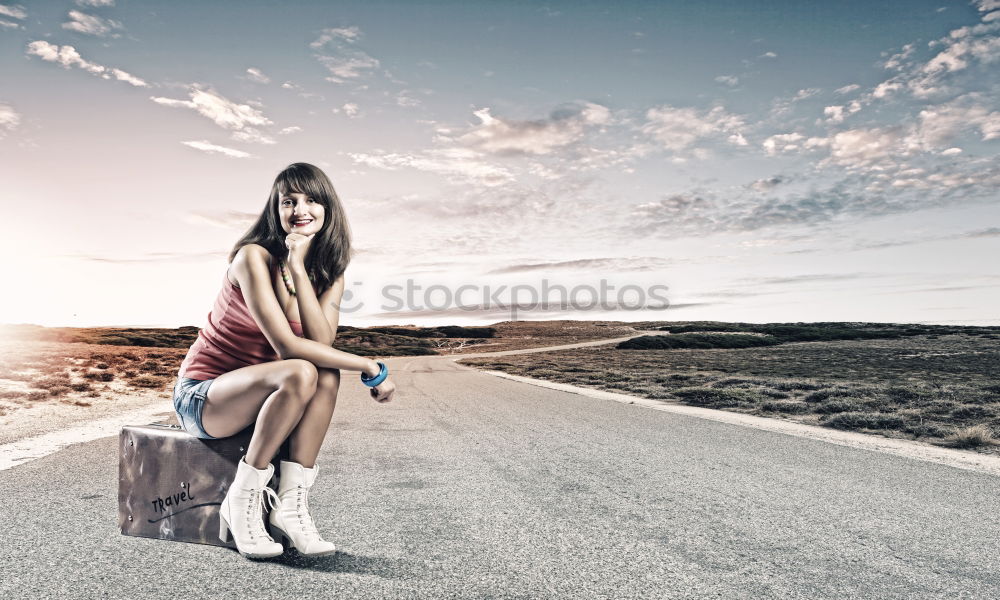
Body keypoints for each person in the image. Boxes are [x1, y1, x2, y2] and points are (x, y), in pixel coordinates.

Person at [172, 162, 396, 559]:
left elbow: (320, 340)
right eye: (288, 201)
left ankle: (290, 507)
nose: (299, 210)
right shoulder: (252, 257)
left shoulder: (329, 272)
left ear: (329, 210)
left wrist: (298, 266)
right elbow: (288, 346)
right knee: (299, 369)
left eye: (311, 200)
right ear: (274, 210)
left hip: (263, 392)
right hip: (205, 397)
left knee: (324, 373)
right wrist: (368, 366)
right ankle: (240, 502)